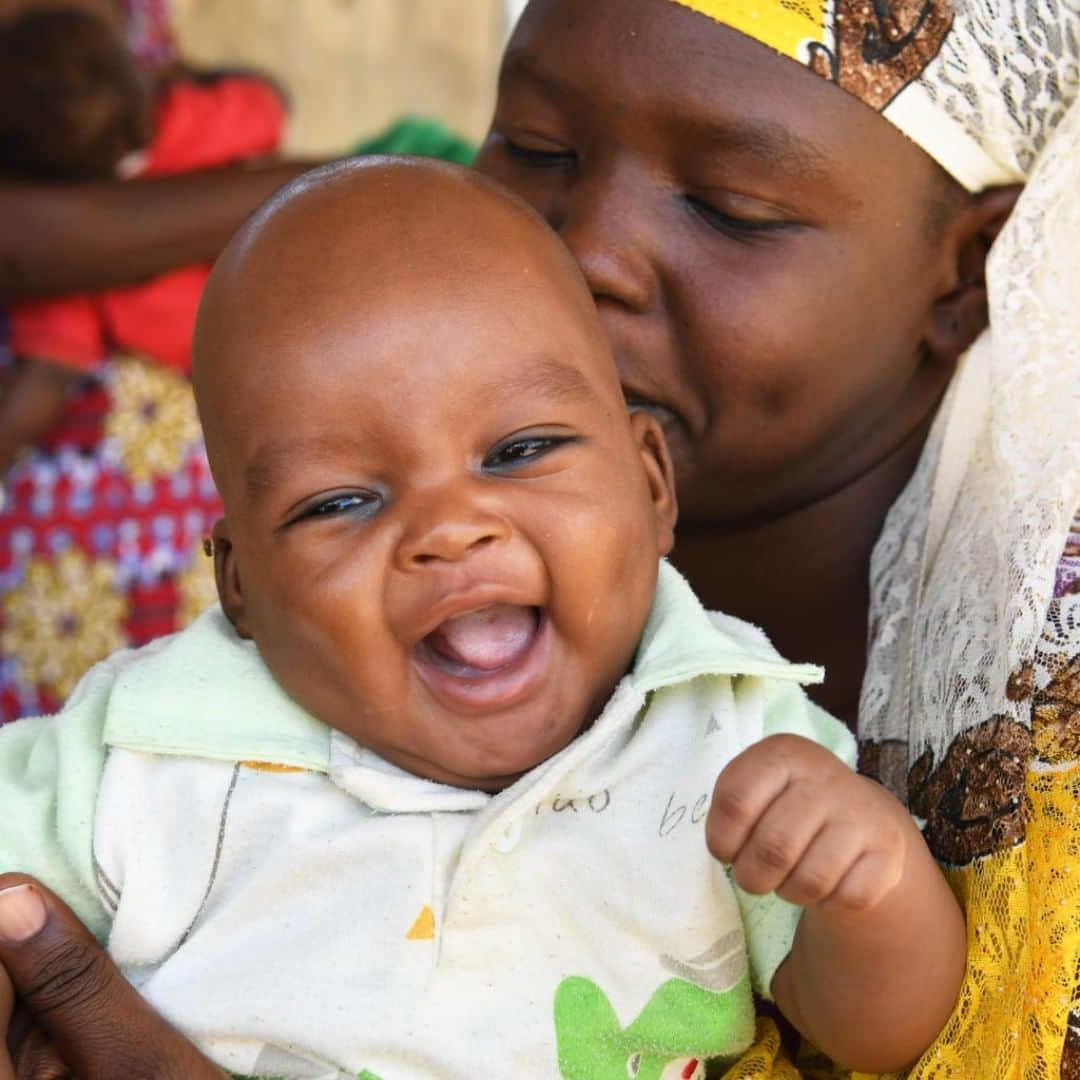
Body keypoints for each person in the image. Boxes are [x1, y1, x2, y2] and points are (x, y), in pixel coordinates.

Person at [0, 0, 1075, 1075]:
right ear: (235, 577)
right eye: (539, 147)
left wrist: (873, 887)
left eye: (731, 206)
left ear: (968, 266)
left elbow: (886, 1024)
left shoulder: (729, 736)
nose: (590, 249)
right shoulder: (155, 748)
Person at [0, 6, 286, 723]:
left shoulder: (63, 293)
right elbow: (264, 106)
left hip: (189, 525)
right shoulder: (188, 124)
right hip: (58, 587)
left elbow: (35, 389)